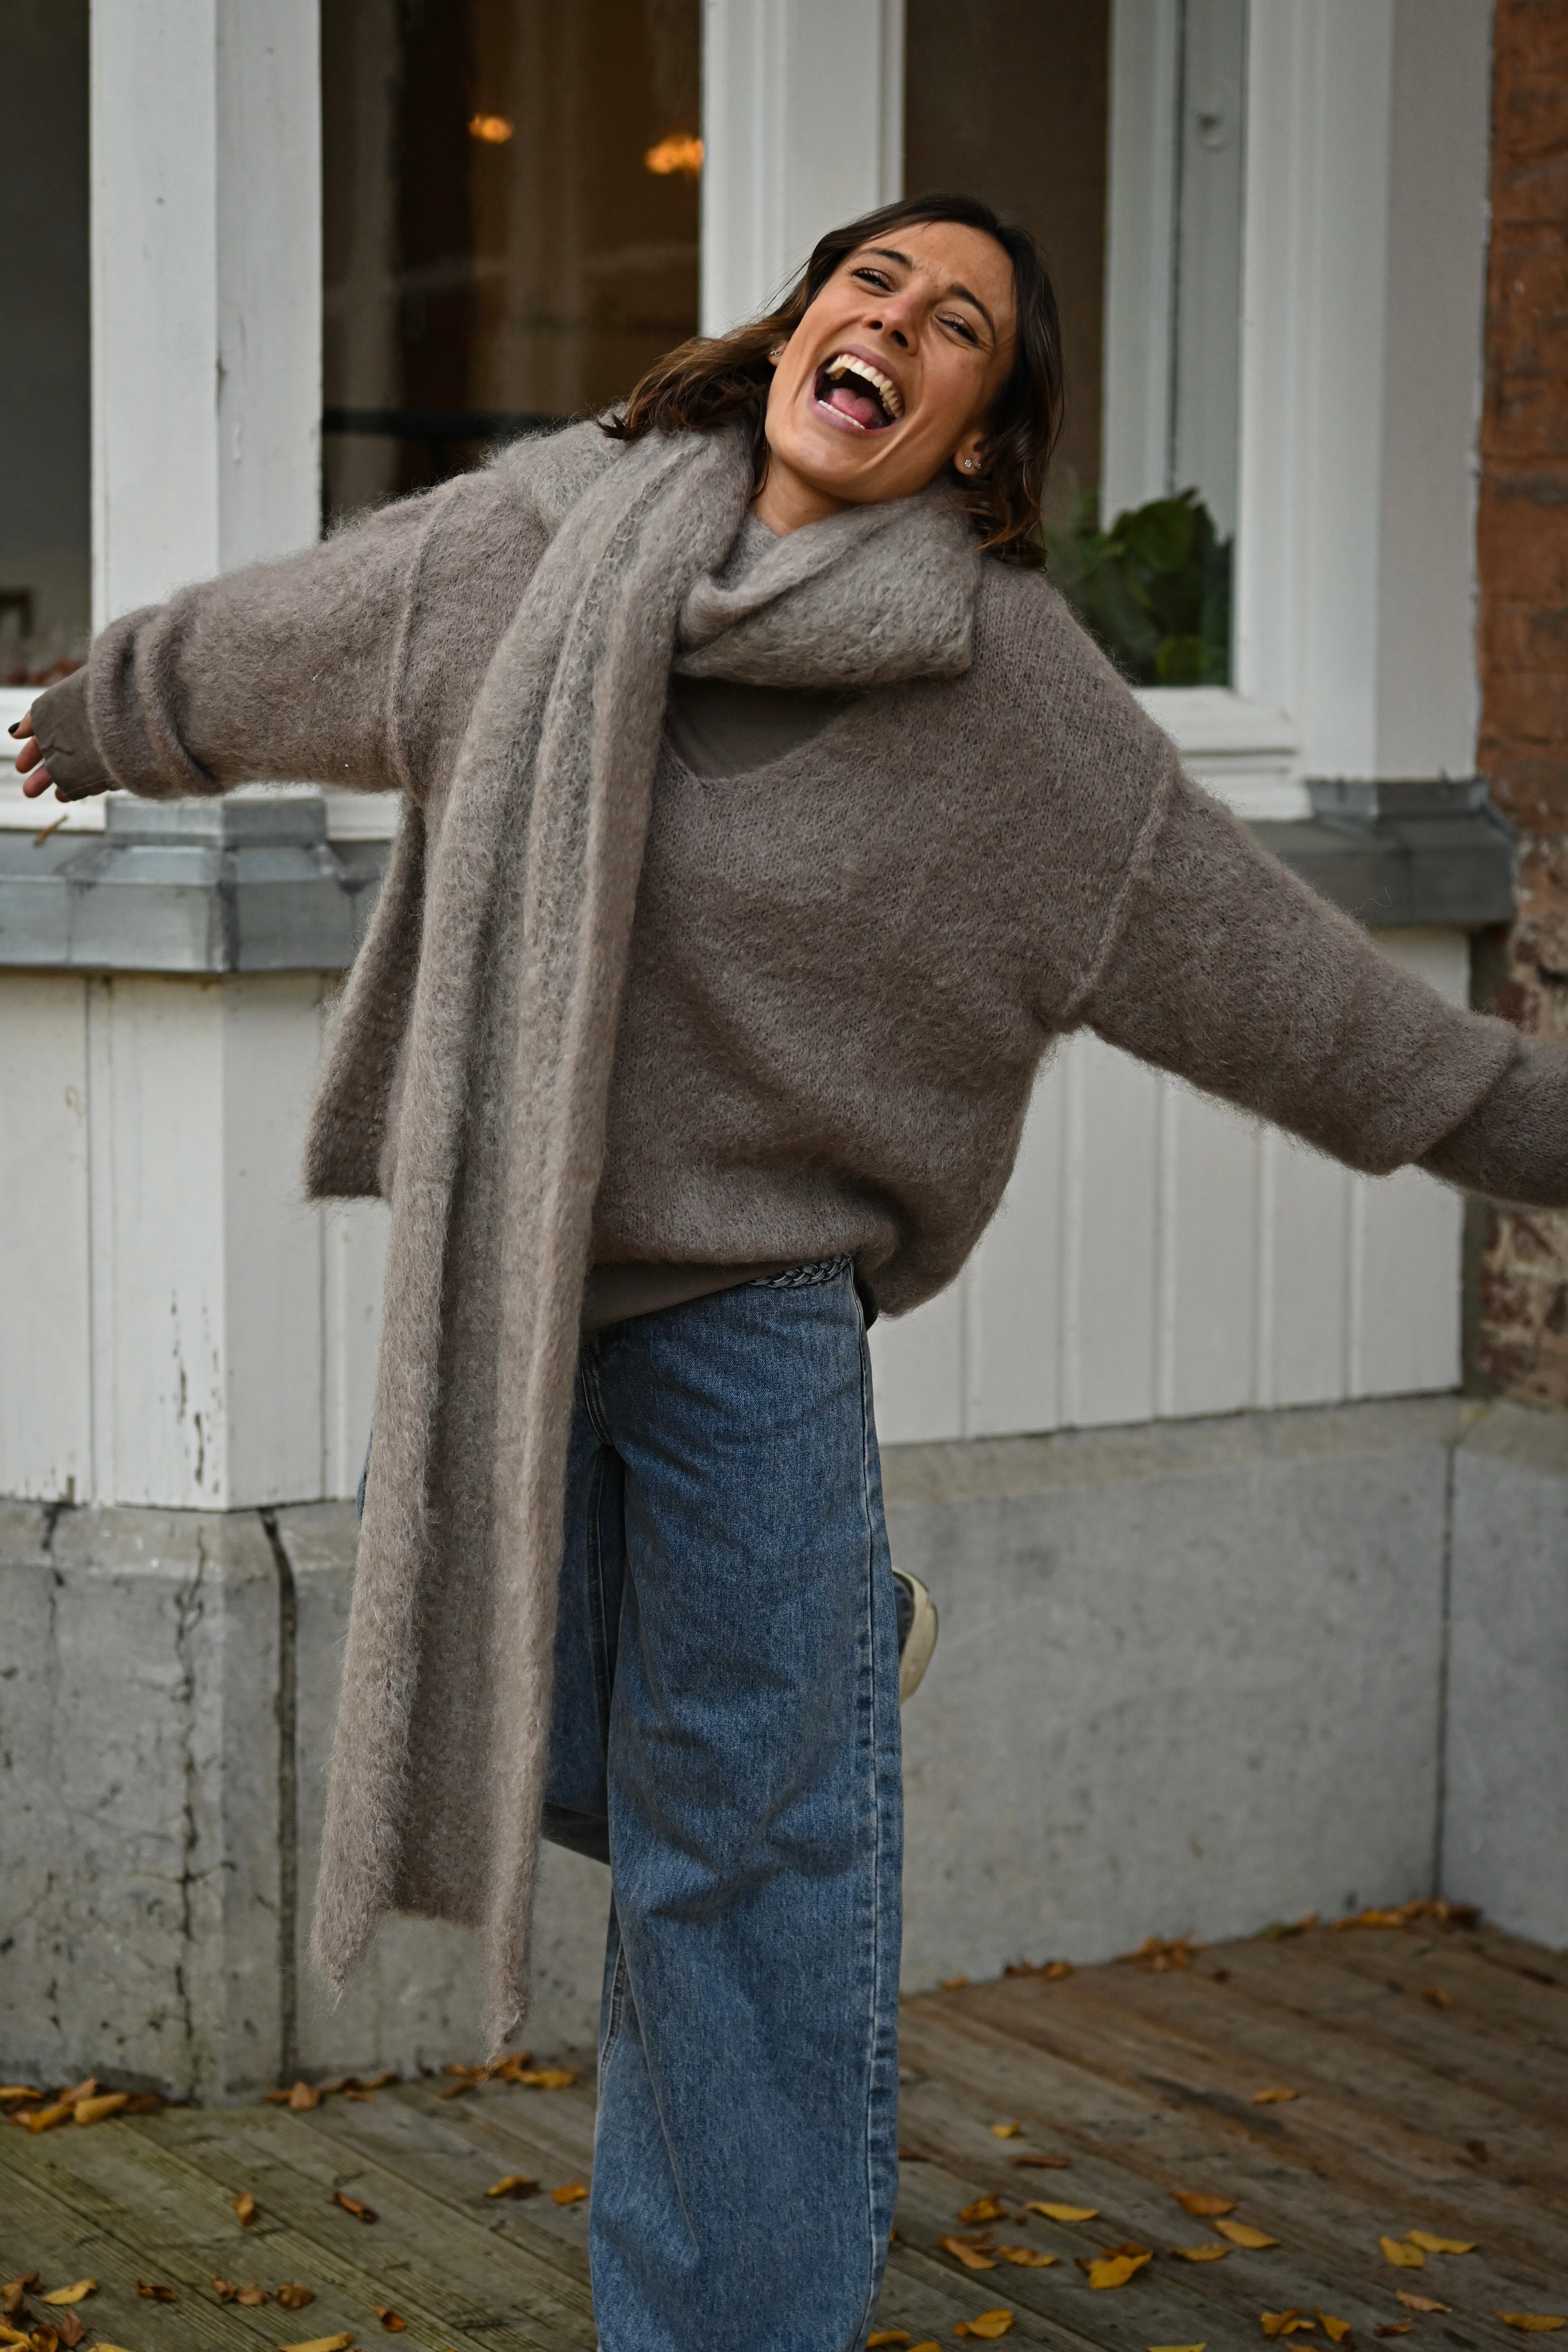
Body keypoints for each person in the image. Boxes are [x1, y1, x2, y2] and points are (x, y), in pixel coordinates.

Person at [14, 190, 1568, 2352]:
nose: (898, 327)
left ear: (976, 435)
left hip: (751, 1336)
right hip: (507, 1305)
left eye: (959, 328)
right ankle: (836, 1652)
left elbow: (1275, 980)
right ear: (795, 325)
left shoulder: (1004, 690)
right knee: (580, 1754)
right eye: (874, 284)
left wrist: (1525, 1127)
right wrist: (83, 719)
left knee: (741, 1877)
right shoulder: (545, 542)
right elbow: (297, 637)